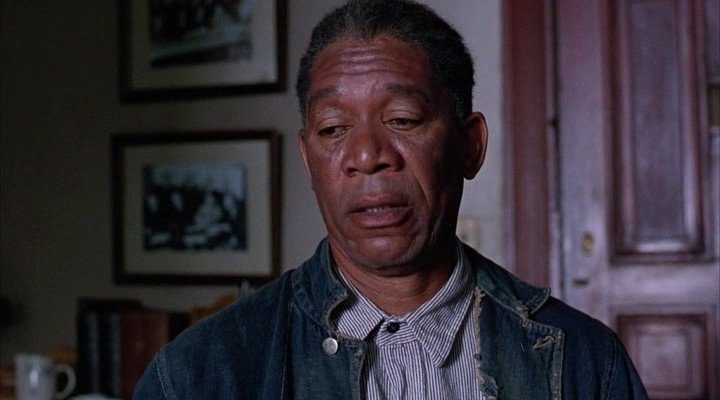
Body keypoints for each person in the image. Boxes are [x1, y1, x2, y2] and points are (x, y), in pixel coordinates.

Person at [134, 0, 648, 398]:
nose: (367, 156)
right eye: (333, 129)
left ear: (470, 145)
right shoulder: (199, 373)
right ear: (309, 160)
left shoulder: (583, 362)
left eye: (402, 119)